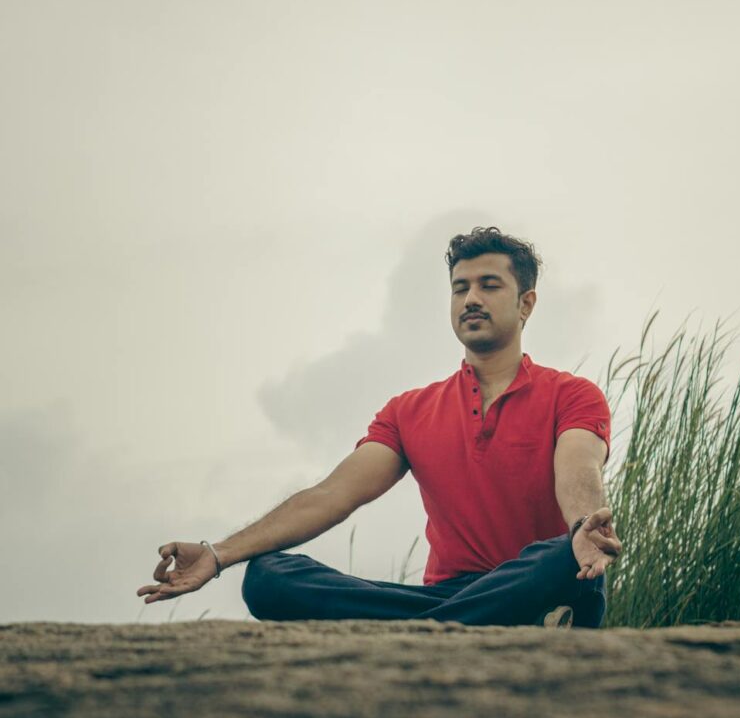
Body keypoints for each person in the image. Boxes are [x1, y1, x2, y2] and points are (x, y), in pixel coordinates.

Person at [137, 226, 623, 628]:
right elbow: (331, 496)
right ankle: (445, 627)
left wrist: (583, 528)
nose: (471, 298)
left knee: (562, 561)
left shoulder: (571, 394)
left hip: (531, 578)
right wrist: (218, 554)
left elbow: (578, 471)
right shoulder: (409, 411)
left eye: (489, 286)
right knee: (268, 575)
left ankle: (422, 629)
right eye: (460, 288)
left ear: (526, 304)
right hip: (462, 597)